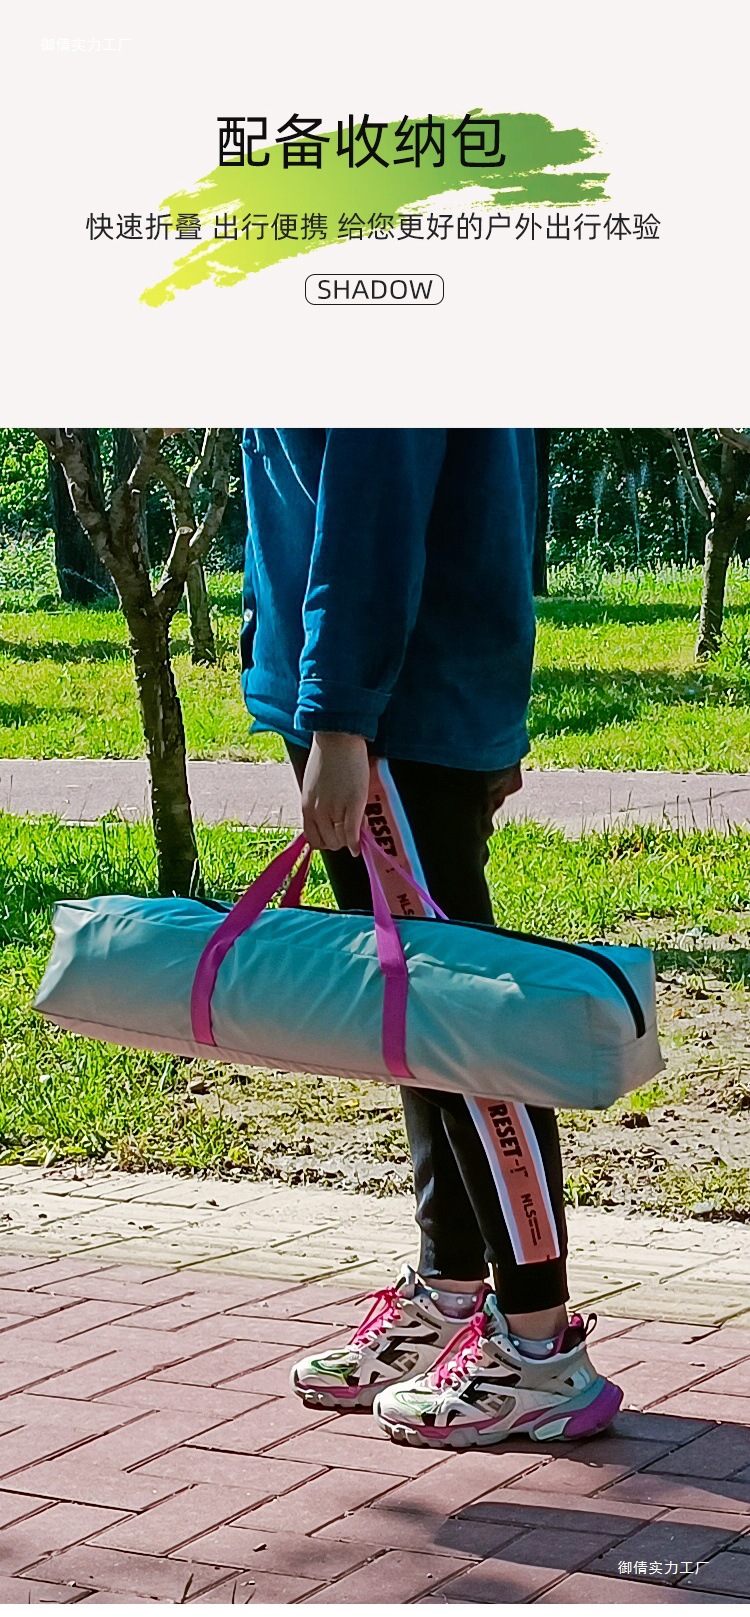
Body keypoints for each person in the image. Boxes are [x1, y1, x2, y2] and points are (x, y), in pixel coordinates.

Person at [239, 428, 622, 1449]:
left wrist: (339, 719)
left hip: (388, 713)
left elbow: (370, 511)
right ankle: (454, 1293)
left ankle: (539, 1348)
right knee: (420, 1020)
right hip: (397, 699)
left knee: (464, 1030)